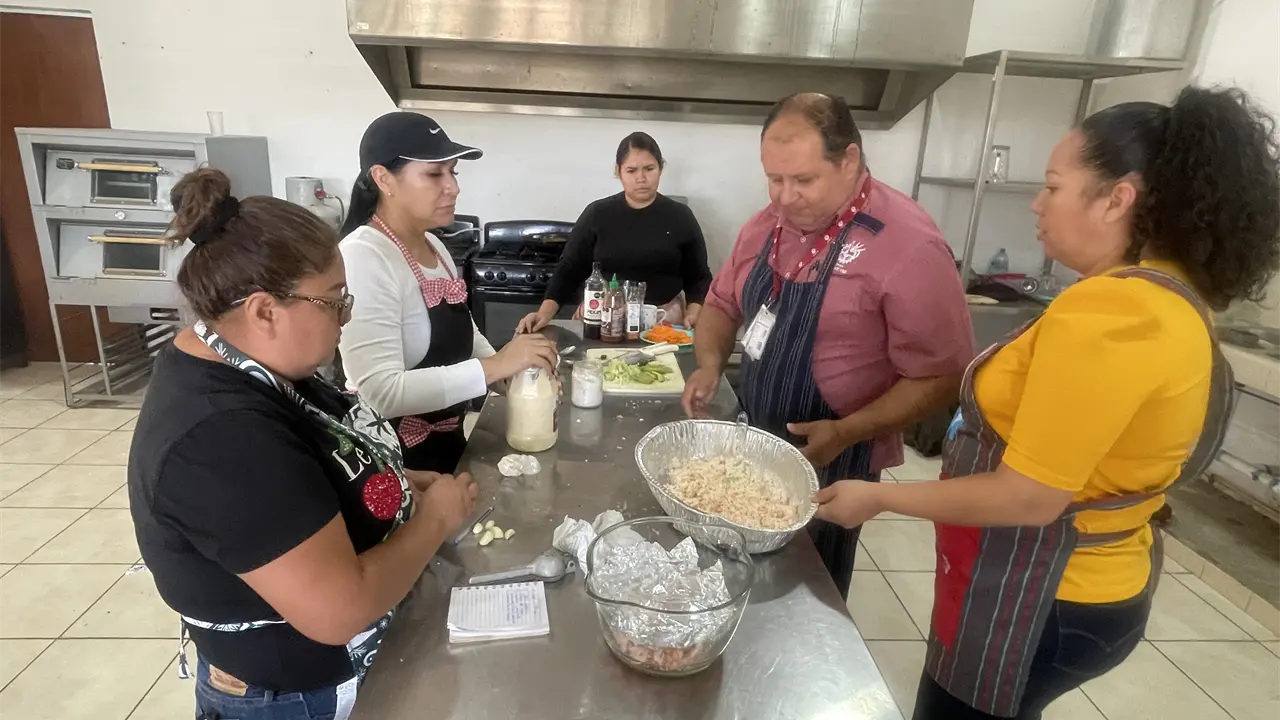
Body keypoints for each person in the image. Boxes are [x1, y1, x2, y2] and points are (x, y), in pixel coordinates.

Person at [813, 86, 1280, 719]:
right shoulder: (1173, 298)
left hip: (1037, 594)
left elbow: (1029, 497)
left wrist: (881, 496)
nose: (1037, 204)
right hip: (1079, 577)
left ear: (1119, 198)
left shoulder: (1113, 313)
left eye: (1054, 186)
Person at [128, 168, 479, 719]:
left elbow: (305, 456)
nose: (346, 315)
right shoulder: (218, 439)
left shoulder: (252, 357)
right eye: (335, 301)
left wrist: (383, 479)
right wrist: (433, 519)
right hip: (294, 696)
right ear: (264, 310)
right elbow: (340, 610)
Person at [683, 93, 974, 599]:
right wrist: (709, 364)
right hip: (753, 440)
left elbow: (943, 375)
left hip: (838, 459)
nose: (784, 198)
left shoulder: (909, 246)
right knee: (739, 585)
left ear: (850, 162)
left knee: (806, 595)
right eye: (774, 179)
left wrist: (846, 431)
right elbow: (721, 304)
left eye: (804, 180)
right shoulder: (764, 226)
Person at [339, 112, 558, 473]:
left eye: (453, 172)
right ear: (383, 179)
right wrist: (496, 365)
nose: (453, 187)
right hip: (396, 464)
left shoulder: (434, 246)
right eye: (434, 174)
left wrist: (513, 377)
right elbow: (380, 392)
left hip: (449, 444)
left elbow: (465, 335)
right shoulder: (363, 256)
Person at [516, 131, 713, 332]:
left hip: (664, 320)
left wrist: (694, 312)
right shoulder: (597, 213)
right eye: (631, 170)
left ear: (660, 169)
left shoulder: (680, 216)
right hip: (600, 318)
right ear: (618, 172)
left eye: (649, 169)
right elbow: (569, 269)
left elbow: (698, 276)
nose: (641, 178)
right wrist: (544, 313)